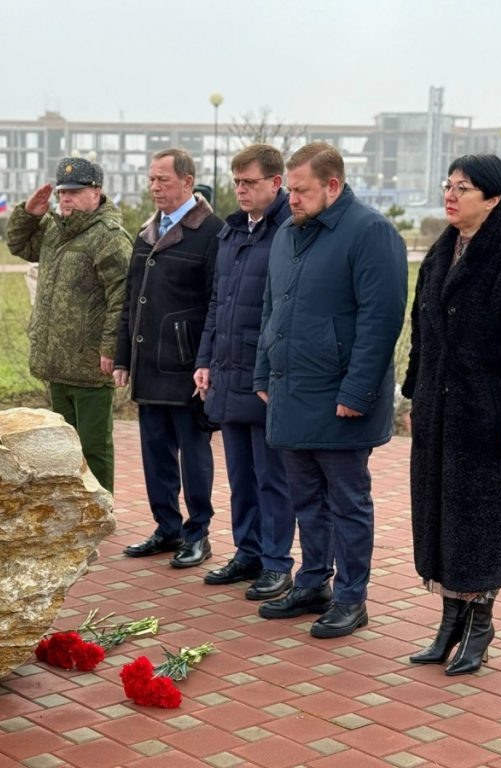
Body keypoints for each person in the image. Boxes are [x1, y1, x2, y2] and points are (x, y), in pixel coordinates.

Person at [402, 154, 501, 675]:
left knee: (481, 525)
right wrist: (415, 396)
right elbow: (421, 333)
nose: (450, 195)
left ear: (493, 198)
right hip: (439, 413)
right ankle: (449, 622)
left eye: (463, 188)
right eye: (448, 185)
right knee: (440, 519)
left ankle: (480, 626)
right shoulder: (441, 251)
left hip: (487, 418)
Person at [254, 142, 408, 638]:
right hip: (292, 392)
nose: (292, 198)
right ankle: (313, 582)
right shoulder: (288, 232)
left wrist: (356, 392)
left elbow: (381, 320)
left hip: (340, 397)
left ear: (333, 186)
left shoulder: (370, 232)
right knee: (306, 500)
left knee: (347, 502)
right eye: (290, 190)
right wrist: (263, 373)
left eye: (301, 190)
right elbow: (272, 308)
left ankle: (351, 597)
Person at [194, 144, 295, 601]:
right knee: (240, 475)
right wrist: (205, 360)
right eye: (237, 182)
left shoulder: (288, 230)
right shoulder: (232, 232)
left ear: (276, 182)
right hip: (228, 370)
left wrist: (270, 370)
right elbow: (218, 303)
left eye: (250, 182)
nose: (241, 190)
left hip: (265, 375)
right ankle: (247, 552)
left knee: (272, 477)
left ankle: (276, 563)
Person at [114, 148, 223, 568]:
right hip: (149, 364)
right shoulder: (147, 232)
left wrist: (207, 361)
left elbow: (216, 304)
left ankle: (198, 534)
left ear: (187, 181)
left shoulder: (210, 232)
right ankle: (167, 528)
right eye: (151, 180)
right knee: (155, 452)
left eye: (163, 179)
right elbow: (131, 300)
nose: (155, 187)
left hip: (186, 367)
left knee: (193, 456)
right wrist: (123, 357)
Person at [7, 157, 132, 493]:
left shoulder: (108, 237)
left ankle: (101, 507)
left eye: (75, 192)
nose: (66, 198)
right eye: (62, 192)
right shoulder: (53, 230)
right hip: (57, 362)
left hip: (89, 364)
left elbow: (123, 297)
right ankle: (74, 507)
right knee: (63, 448)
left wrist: (111, 348)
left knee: (93, 448)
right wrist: (28, 214)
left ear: (96, 192)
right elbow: (19, 245)